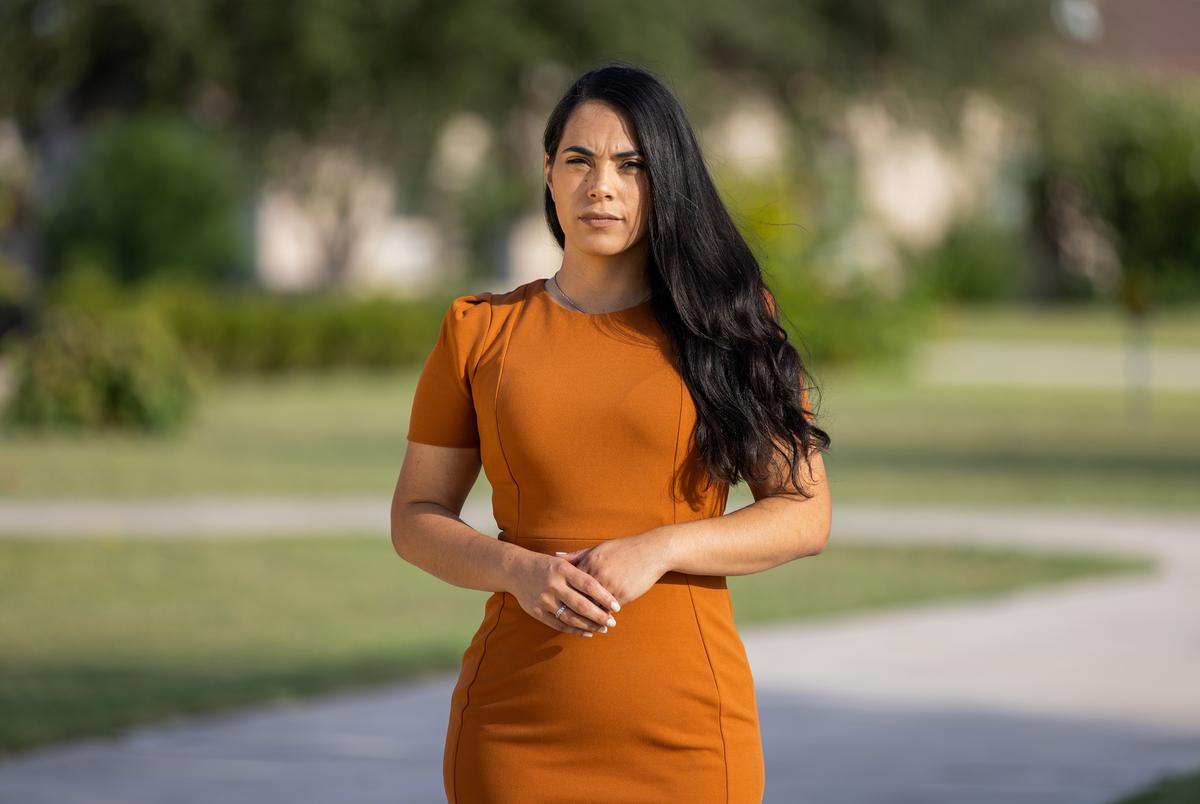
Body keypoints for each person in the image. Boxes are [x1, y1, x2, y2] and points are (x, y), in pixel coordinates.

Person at [391, 60, 832, 804]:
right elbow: (415, 518)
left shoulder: (726, 325)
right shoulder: (478, 330)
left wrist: (662, 546)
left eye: (632, 166)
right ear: (548, 174)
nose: (602, 186)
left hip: (689, 731)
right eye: (580, 161)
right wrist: (516, 570)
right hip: (512, 729)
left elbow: (805, 513)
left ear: (666, 182)